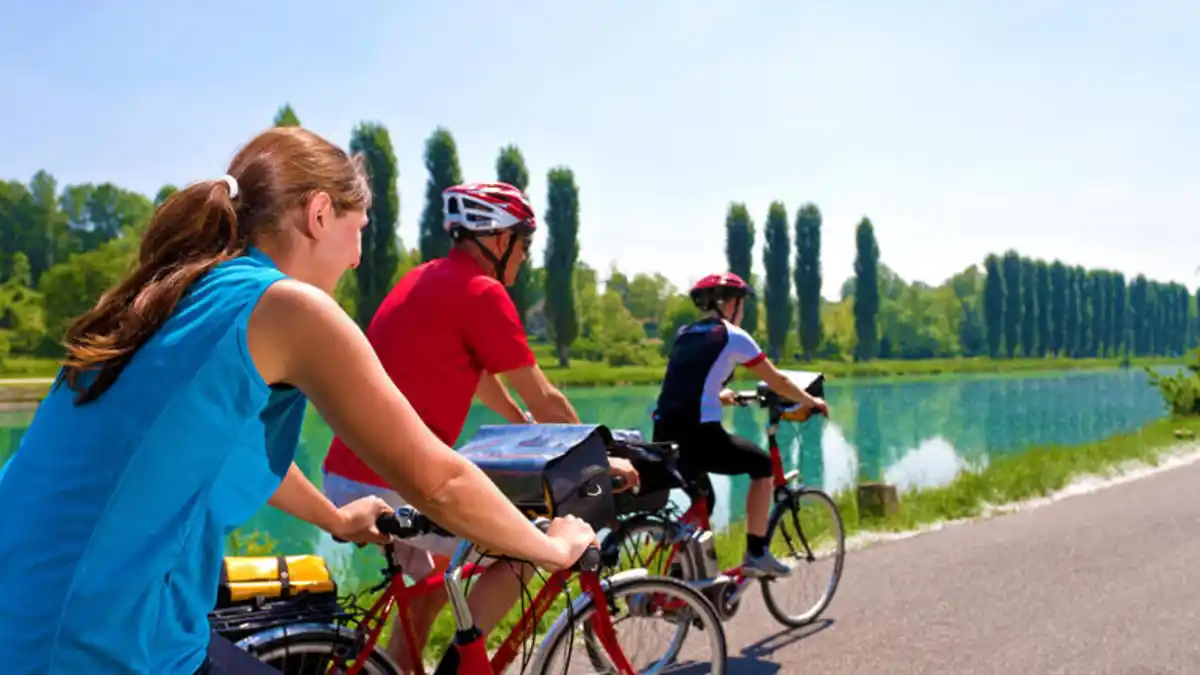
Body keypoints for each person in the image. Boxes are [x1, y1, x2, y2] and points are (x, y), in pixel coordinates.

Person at [0, 128, 598, 675]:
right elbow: (438, 482)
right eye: (358, 230)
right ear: (319, 214)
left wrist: (334, 519)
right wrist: (553, 547)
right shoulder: (289, 306)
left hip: (29, 608)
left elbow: (225, 447)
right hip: (98, 642)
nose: (359, 257)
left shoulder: (176, 291)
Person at [321, 181, 641, 670]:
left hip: (350, 473)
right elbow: (546, 397)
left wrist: (521, 424)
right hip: (394, 482)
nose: (525, 256)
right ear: (499, 240)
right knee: (527, 544)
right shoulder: (481, 291)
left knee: (432, 587)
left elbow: (482, 378)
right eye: (524, 243)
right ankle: (460, 666)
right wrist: (598, 460)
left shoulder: (425, 278)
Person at [652, 272, 828, 578]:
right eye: (741, 304)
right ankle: (756, 553)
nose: (743, 311)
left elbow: (686, 383)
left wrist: (718, 395)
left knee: (704, 501)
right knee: (761, 466)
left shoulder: (686, 334)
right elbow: (778, 381)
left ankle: (679, 576)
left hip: (664, 433)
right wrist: (810, 401)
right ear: (729, 304)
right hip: (700, 436)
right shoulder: (733, 336)